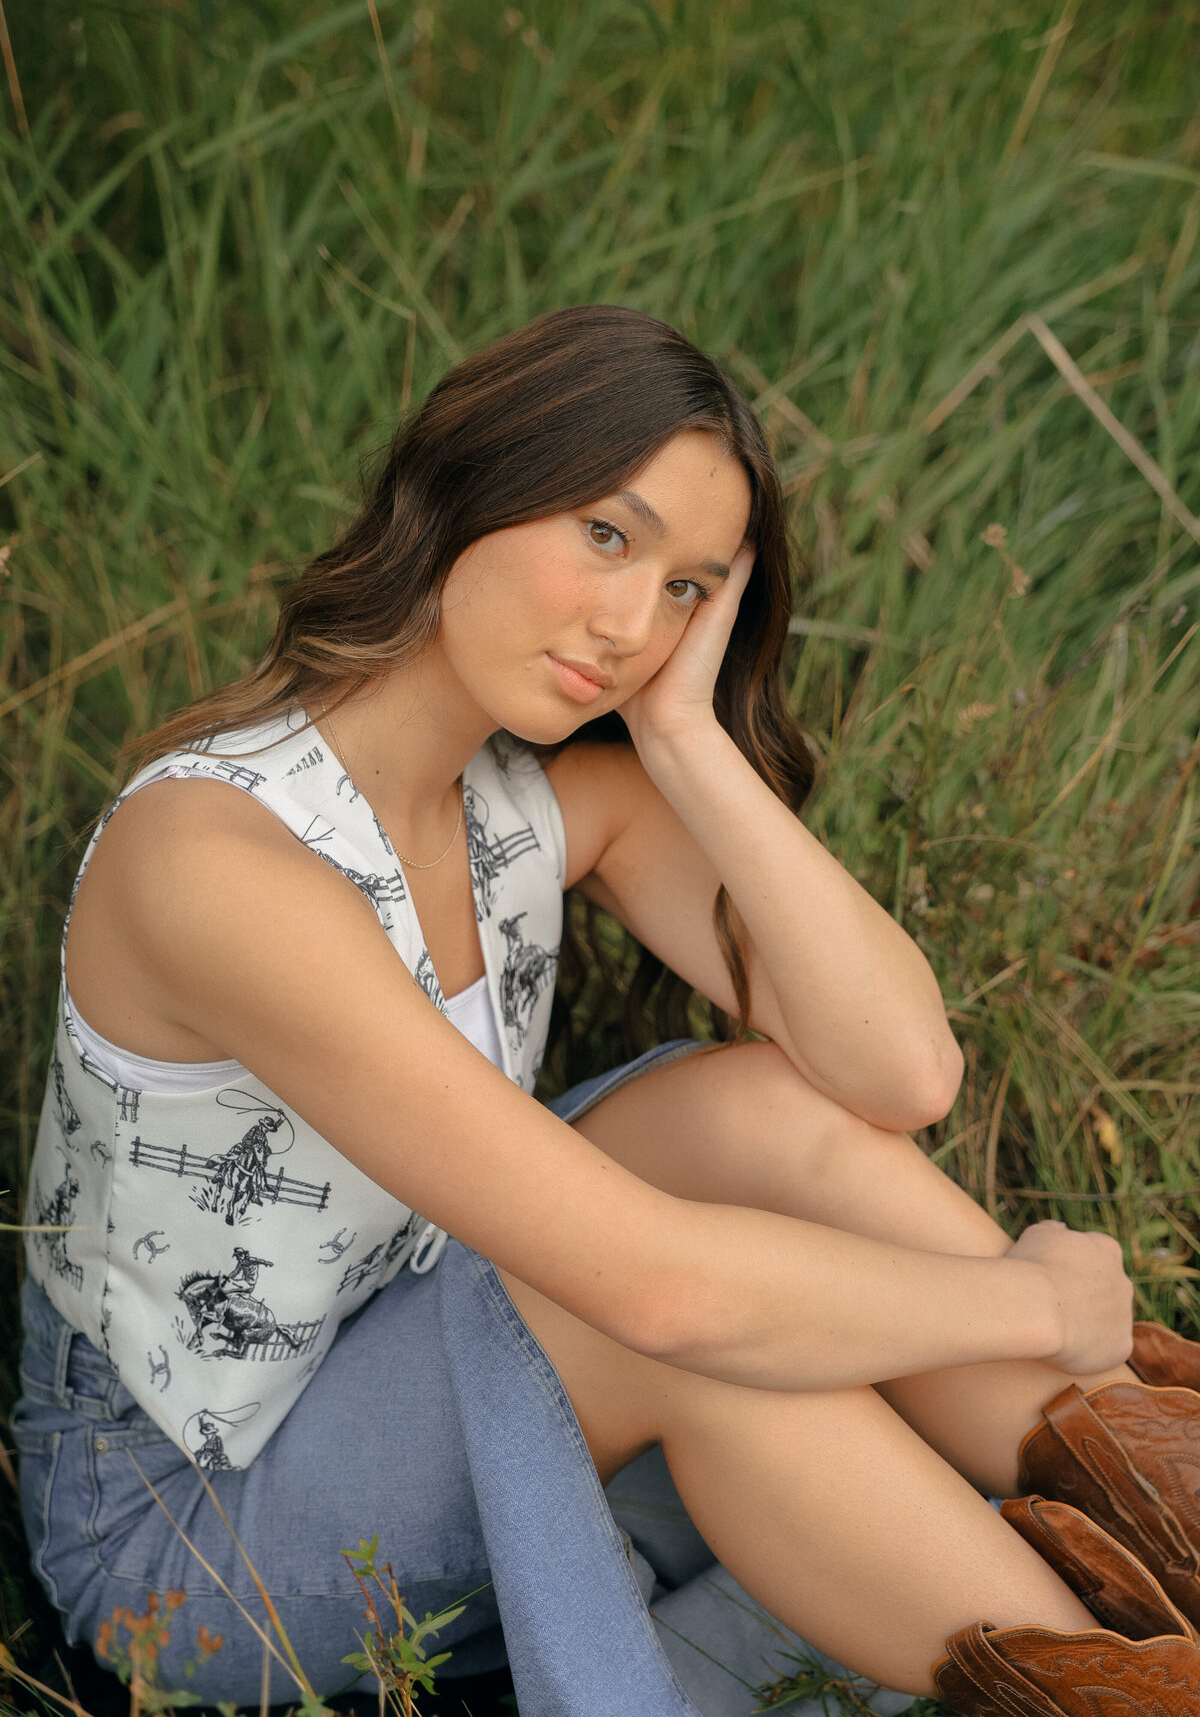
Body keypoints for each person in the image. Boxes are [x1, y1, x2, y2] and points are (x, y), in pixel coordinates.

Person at [13, 305, 1200, 1717]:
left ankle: (1167, 1555)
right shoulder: (218, 862)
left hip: (416, 1338)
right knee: (669, 1329)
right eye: (608, 536)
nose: (635, 626)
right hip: (186, 1538)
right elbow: (658, 1290)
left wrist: (686, 737)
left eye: (693, 588)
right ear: (466, 483)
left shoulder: (537, 798)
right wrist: (1029, 1302)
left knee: (749, 1106)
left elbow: (902, 1072)